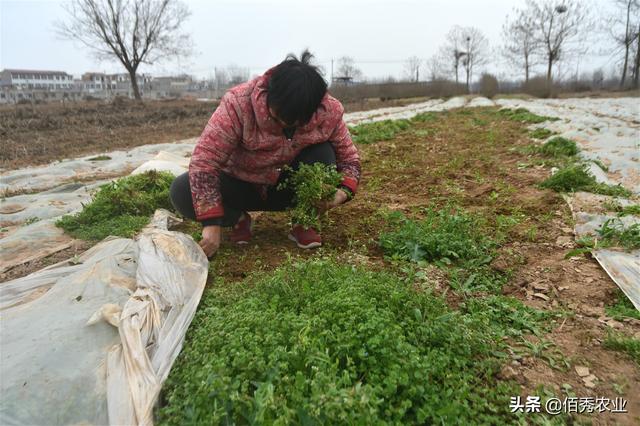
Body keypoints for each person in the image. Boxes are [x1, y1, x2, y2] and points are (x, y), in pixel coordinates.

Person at [169, 50, 361, 257]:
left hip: (288, 189)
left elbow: (349, 160)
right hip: (242, 186)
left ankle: (304, 221)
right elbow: (205, 160)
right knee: (182, 190)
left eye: (297, 121)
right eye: (279, 118)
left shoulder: (329, 112)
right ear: (269, 95)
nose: (287, 125)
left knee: (323, 153)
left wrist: (341, 194)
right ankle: (237, 218)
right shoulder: (238, 104)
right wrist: (211, 222)